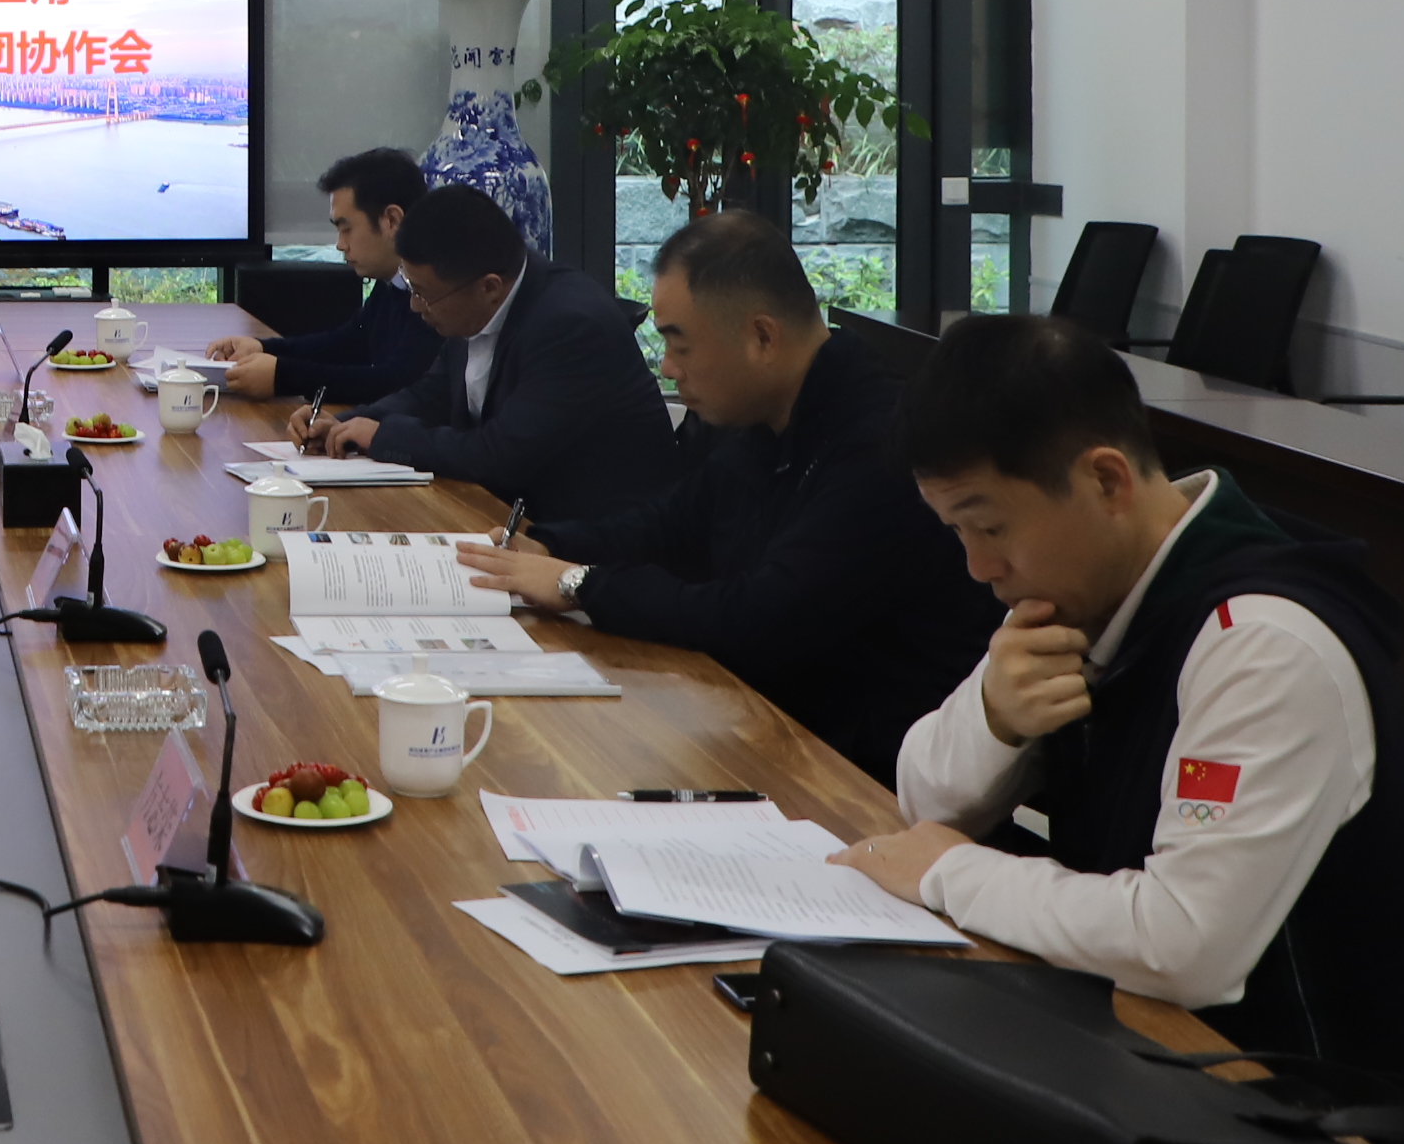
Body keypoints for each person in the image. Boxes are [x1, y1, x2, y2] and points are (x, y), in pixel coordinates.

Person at [830, 314, 1404, 1113]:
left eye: (990, 526)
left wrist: (951, 873)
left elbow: (1183, 944)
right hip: (1141, 1049)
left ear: (1106, 482)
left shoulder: (1262, 647)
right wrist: (996, 716)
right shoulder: (1089, 594)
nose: (979, 566)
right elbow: (925, 803)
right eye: (957, 532)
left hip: (1324, 1118)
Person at [454, 211, 996, 775]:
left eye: (680, 346)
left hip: (861, 774)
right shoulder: (766, 413)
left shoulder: (877, 444)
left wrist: (579, 584)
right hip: (764, 725)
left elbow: (758, 618)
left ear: (762, 336)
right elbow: (672, 525)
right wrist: (546, 545)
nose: (668, 368)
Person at [296, 183, 674, 525]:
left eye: (424, 294)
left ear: (489, 288)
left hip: (587, 541)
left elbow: (500, 455)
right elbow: (431, 394)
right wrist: (345, 424)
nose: (414, 306)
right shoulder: (472, 301)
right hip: (501, 514)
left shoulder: (571, 326)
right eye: (411, 288)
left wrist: (382, 436)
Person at [205, 150, 430, 407]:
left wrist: (282, 377)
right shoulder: (392, 284)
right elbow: (347, 344)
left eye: (347, 229)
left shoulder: (434, 295)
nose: (340, 244)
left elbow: (394, 382)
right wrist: (262, 348)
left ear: (392, 220)